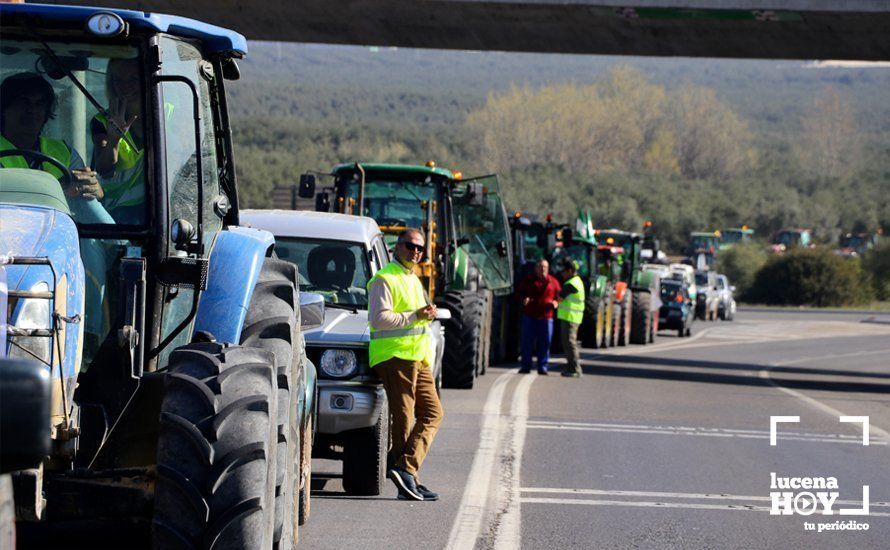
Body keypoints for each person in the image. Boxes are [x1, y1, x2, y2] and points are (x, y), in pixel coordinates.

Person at [367, 228, 444, 501]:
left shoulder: (413, 279)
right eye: (410, 246)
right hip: (395, 356)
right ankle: (407, 479)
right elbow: (379, 319)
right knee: (403, 419)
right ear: (396, 247)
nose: (415, 252)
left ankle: (406, 469)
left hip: (418, 359)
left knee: (433, 413)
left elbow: (417, 318)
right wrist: (416, 315)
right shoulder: (384, 279)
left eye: (420, 248)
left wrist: (427, 314)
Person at [0, 72, 110, 223]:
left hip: (56, 231)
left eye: (39, 104)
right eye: (23, 102)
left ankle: (120, 245)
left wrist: (94, 191)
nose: (32, 110)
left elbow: (81, 200)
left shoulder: (65, 152)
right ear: (4, 109)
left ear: (46, 111)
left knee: (83, 198)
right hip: (8, 228)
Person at [91, 58, 147, 223]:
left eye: (133, 79)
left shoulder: (168, 112)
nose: (125, 86)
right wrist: (114, 139)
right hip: (118, 213)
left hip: (162, 207)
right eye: (118, 80)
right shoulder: (101, 121)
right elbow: (103, 169)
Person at [515, 258, 562, 374]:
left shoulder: (554, 282)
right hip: (530, 316)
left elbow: (560, 297)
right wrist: (524, 299)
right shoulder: (528, 281)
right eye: (540, 267)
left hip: (546, 318)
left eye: (544, 267)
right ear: (535, 269)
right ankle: (526, 366)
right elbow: (519, 293)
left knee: (545, 343)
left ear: (548, 269)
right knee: (527, 343)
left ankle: (543, 367)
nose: (542, 270)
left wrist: (556, 303)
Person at [556, 260, 585, 377]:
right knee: (568, 343)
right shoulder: (576, 281)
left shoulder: (572, 283)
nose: (562, 274)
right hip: (571, 317)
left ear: (570, 271)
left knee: (570, 343)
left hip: (570, 318)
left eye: (564, 271)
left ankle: (575, 369)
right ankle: (571, 368)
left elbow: (560, 297)